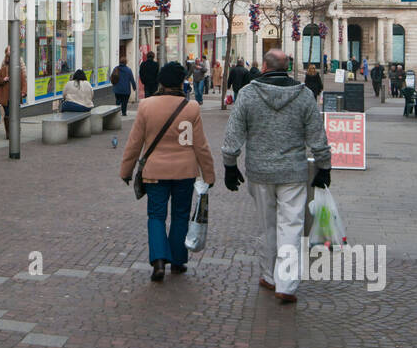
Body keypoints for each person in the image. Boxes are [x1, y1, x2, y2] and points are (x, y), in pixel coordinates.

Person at [222, 49, 332, 304]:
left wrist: (230, 164)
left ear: (264, 67)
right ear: (288, 66)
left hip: (260, 170)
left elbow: (233, 135)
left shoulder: (249, 94)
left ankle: (269, 275)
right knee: (291, 225)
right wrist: (324, 166)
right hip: (293, 171)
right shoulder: (304, 96)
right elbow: (318, 136)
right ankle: (287, 283)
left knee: (267, 224)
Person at [119, 61, 216, 282]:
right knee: (181, 215)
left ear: (161, 81)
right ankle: (178, 260)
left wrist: (126, 170)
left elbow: (135, 143)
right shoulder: (191, 108)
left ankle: (159, 260)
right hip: (185, 171)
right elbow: (200, 145)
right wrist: (209, 174)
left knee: (156, 215)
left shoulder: (146, 106)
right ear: (181, 82)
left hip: (155, 171)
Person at [0, 46, 27, 137]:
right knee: (7, 114)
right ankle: (8, 132)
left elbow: (24, 80)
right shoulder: (3, 70)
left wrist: (24, 91)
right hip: (5, 95)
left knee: (15, 113)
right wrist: (3, 79)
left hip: (16, 95)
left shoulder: (19, 70)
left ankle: (16, 129)